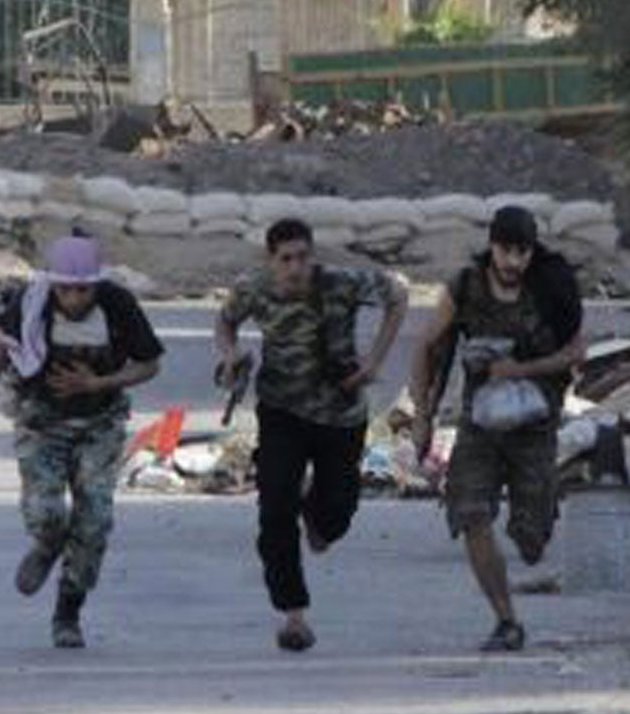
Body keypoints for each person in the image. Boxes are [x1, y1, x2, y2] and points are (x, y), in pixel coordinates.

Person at [214, 217, 409, 653]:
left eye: (303, 257)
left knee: (334, 517)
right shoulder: (254, 289)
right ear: (272, 261)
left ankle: (317, 519)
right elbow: (225, 322)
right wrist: (231, 356)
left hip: (341, 413)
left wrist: (375, 361)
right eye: (286, 259)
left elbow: (398, 294)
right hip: (282, 410)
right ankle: (293, 614)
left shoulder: (341, 283)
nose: (296, 267)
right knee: (275, 506)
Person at [408, 205, 583, 653]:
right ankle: (507, 621)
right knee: (471, 513)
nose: (513, 263)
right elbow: (426, 346)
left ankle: (534, 529)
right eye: (506, 251)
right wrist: (423, 416)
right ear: (492, 247)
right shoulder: (465, 287)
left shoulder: (551, 288)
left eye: (522, 253)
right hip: (480, 425)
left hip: (535, 426)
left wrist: (521, 369)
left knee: (530, 539)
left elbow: (575, 353)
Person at [0, 233, 164, 649]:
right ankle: (47, 545)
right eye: (64, 288)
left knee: (95, 520)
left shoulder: (118, 306)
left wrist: (99, 381)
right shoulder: (32, 302)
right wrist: (6, 387)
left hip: (100, 423)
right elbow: (4, 342)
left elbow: (149, 364)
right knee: (46, 510)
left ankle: (68, 613)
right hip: (42, 423)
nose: (72, 297)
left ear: (96, 284)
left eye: (82, 288)